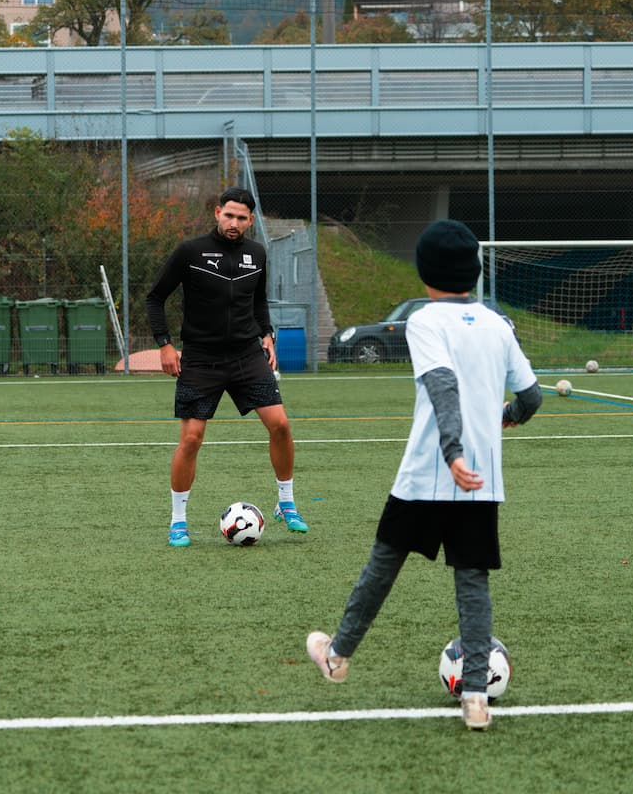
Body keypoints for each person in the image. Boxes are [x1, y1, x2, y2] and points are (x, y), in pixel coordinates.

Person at [304, 220, 543, 731]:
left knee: (383, 566)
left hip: (426, 474)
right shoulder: (499, 324)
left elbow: (441, 385)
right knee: (472, 583)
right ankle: (476, 698)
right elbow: (531, 397)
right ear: (474, 272)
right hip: (481, 479)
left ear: (425, 272)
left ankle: (338, 656)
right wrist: (504, 420)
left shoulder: (425, 320)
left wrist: (451, 451)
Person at [145, 187, 308, 547]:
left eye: (241, 218)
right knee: (191, 438)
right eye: (228, 215)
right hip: (201, 358)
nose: (233, 223)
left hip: (247, 356)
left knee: (280, 424)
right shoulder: (190, 252)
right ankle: (178, 521)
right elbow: (156, 298)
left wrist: (267, 335)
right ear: (217, 213)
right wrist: (165, 344)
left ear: (251, 220)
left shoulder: (257, 253)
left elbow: (259, 301)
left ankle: (285, 503)